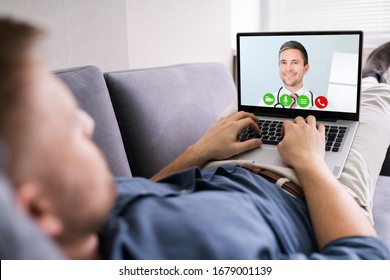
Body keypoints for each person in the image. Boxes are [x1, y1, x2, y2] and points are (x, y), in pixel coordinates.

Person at [0, 17, 389, 260]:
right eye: (67, 125)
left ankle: (368, 78)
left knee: (243, 110)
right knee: (375, 102)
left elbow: (139, 191)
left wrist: (200, 150)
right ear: (37, 212)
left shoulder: (83, 218)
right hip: (308, 190)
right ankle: (374, 78)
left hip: (219, 167)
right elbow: (365, 259)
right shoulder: (203, 254)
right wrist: (310, 162)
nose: (87, 123)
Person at [260, 40, 316, 109]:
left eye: (295, 62)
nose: (288, 69)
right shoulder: (264, 104)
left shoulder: (324, 107)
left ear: (305, 69)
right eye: (284, 62)